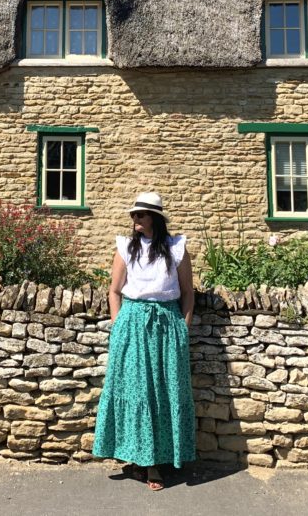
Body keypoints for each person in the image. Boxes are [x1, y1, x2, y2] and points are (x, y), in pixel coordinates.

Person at [92, 191, 196, 491]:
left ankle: (158, 460)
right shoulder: (126, 248)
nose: (135, 219)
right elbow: (114, 290)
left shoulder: (176, 249)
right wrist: (119, 325)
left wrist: (183, 328)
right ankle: (144, 461)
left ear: (155, 218)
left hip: (166, 326)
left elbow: (188, 292)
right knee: (135, 393)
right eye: (133, 215)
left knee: (165, 393)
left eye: (141, 214)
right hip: (133, 324)